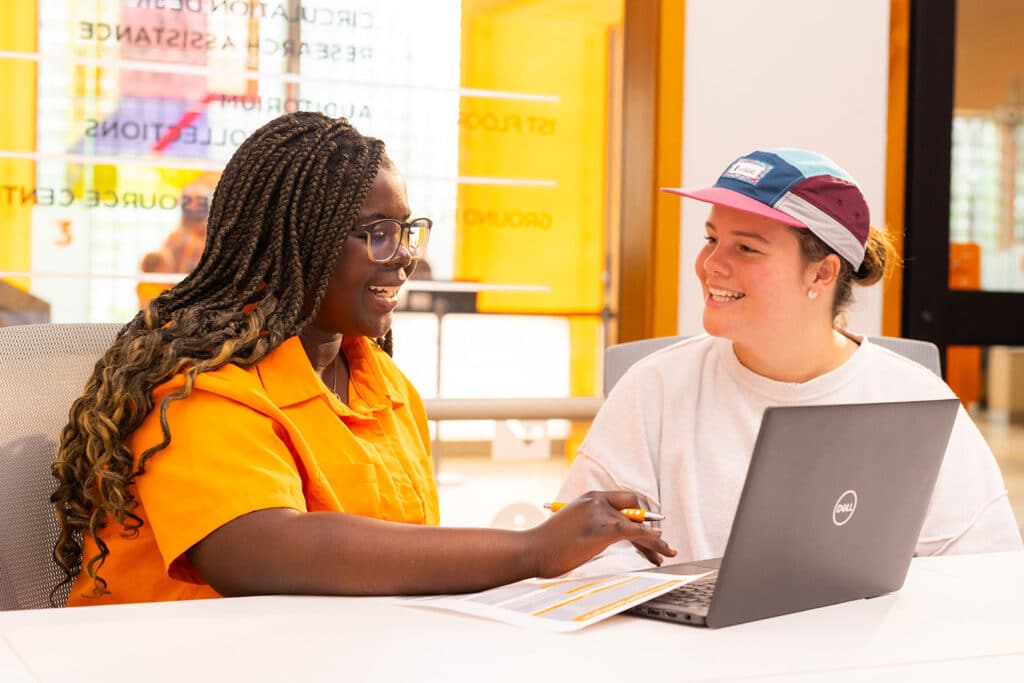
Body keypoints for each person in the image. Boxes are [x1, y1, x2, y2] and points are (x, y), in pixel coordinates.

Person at [51, 112, 674, 606]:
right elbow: (258, 551)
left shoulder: (386, 386)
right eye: (377, 232)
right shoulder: (201, 388)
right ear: (296, 244)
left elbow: (403, 556)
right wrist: (530, 550)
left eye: (406, 231)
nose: (402, 255)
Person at [558, 148, 1022, 575]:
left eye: (747, 247)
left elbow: (985, 566)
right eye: (711, 238)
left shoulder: (917, 400)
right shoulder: (654, 388)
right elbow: (579, 551)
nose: (710, 264)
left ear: (822, 272)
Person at [137, 173, 219, 307]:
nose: (194, 206)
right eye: (190, 201)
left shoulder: (214, 238)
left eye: (199, 201)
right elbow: (159, 271)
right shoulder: (175, 238)